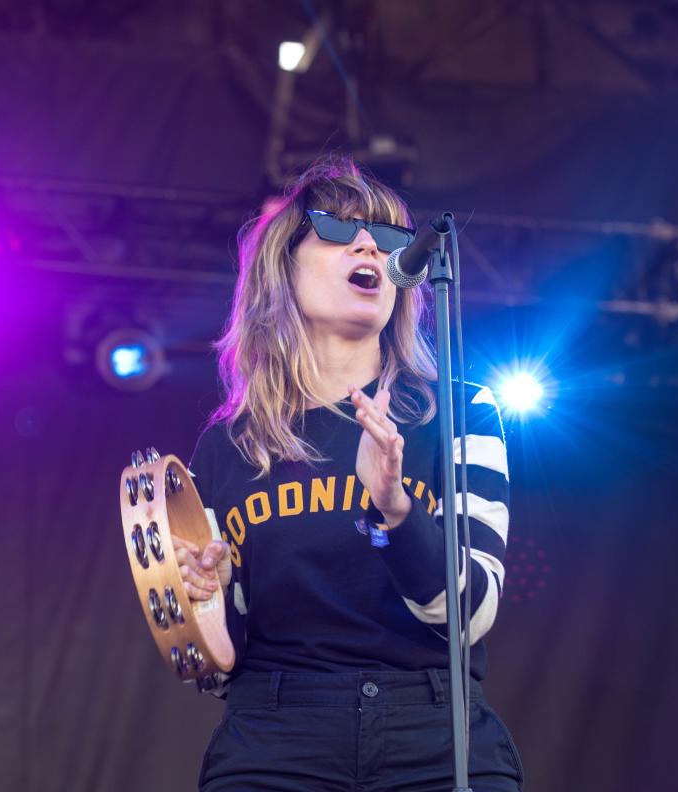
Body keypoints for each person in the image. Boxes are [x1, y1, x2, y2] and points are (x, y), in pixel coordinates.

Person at [177, 155, 524, 791]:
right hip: (278, 738)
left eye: (389, 236)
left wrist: (394, 506)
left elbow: (470, 614)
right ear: (284, 265)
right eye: (337, 229)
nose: (369, 243)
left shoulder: (458, 411)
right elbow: (218, 666)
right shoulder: (231, 446)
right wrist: (202, 594)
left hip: (434, 733)